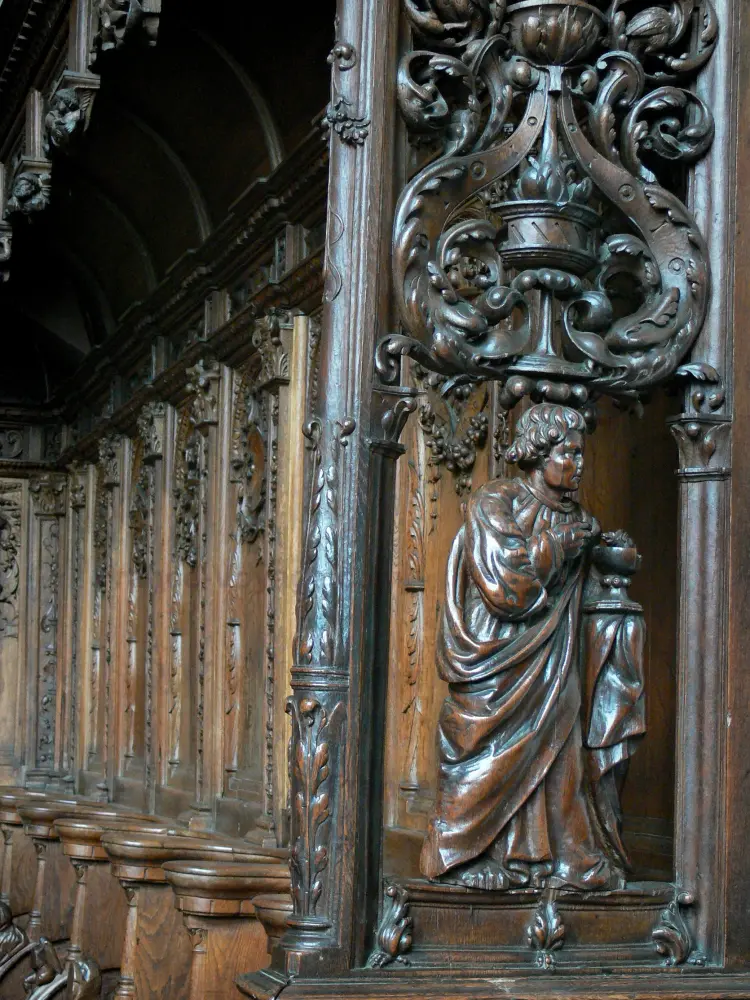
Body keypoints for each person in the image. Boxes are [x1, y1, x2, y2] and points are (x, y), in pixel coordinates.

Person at [420, 403, 645, 891]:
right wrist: (559, 545)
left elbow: (585, 585)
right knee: (483, 751)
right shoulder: (494, 502)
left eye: (581, 454)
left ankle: (564, 859)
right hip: (496, 657)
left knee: (558, 746)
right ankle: (458, 855)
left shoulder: (580, 518)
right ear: (538, 454)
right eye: (568, 453)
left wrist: (611, 557)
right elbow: (508, 584)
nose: (578, 464)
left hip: (552, 658)